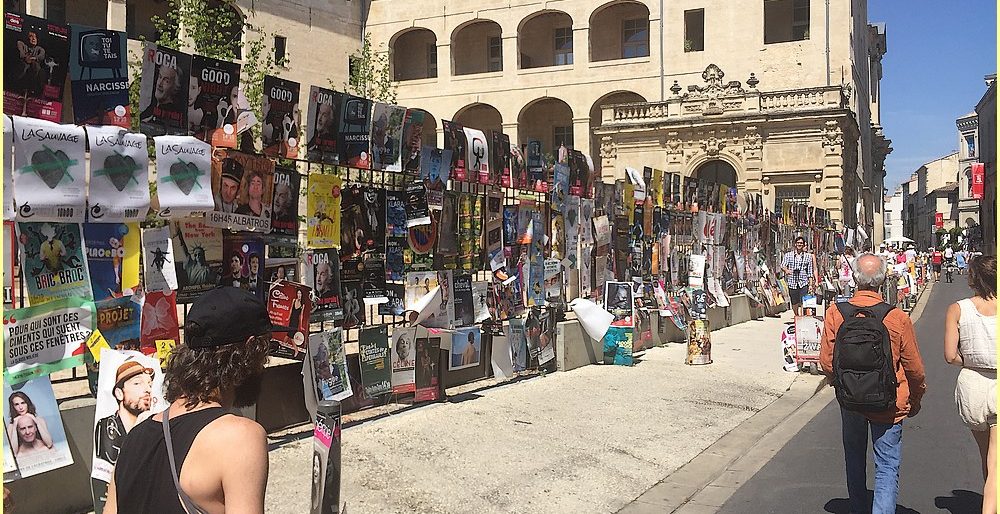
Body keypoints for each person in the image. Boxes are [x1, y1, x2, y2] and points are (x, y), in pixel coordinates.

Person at [104, 287, 275, 514]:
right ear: (251, 350)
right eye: (266, 352)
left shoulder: (134, 438)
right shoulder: (240, 437)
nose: (265, 364)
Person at [820, 254, 926, 514]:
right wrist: (915, 397)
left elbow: (826, 361)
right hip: (888, 399)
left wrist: (842, 383)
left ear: (855, 278)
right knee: (887, 465)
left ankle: (857, 507)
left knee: (854, 458)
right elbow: (914, 368)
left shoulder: (836, 313)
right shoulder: (896, 317)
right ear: (882, 280)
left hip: (851, 400)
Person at [943, 255, 996, 514]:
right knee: (996, 461)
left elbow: (950, 355)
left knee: (987, 456)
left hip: (972, 384)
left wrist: (973, 358)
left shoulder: (958, 308)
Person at [95, 360, 155, 466]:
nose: (148, 390)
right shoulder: (108, 426)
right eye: (137, 383)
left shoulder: (153, 426)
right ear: (119, 393)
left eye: (150, 384)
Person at [781, 236, 818, 316]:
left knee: (803, 301)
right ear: (795, 244)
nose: (799, 244)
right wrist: (787, 270)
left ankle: (801, 317)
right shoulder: (788, 255)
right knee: (794, 302)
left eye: (801, 243)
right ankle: (796, 315)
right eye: (798, 243)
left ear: (803, 244)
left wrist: (810, 284)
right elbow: (783, 265)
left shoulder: (808, 256)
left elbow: (810, 271)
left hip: (803, 282)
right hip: (792, 282)